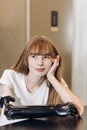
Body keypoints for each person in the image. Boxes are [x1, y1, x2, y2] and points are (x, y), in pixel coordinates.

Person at [0, 35, 84, 116]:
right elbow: (9, 109)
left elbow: (79, 109)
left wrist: (51, 77)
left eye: (46, 57)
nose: (40, 63)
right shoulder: (10, 76)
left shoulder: (53, 81)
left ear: (54, 60)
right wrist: (54, 110)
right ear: (26, 59)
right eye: (34, 56)